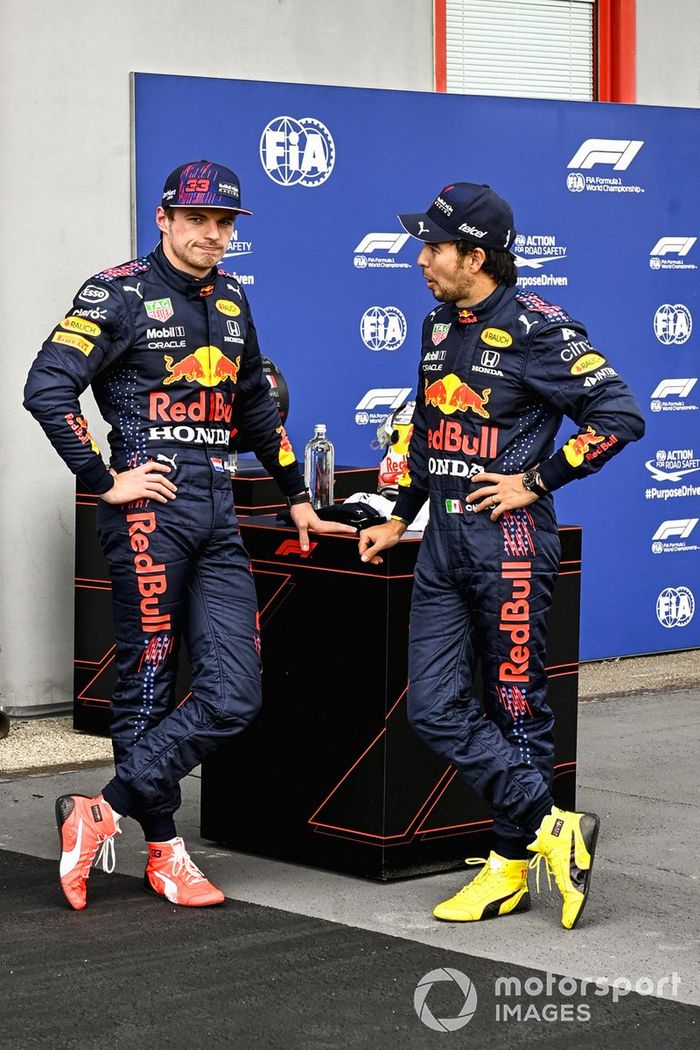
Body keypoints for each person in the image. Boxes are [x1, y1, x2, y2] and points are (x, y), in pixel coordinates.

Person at [24, 159, 353, 911]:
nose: (212, 234)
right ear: (164, 218)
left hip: (218, 516)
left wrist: (299, 497)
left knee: (235, 693)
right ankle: (167, 853)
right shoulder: (115, 292)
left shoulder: (234, 298)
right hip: (149, 515)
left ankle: (99, 809)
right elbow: (47, 387)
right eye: (198, 219)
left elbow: (255, 407)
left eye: (225, 223)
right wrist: (106, 480)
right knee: (147, 678)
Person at [358, 182, 645, 929]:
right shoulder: (434, 324)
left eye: (435, 248)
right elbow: (428, 432)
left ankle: (507, 867)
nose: (422, 260)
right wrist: (399, 515)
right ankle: (554, 828)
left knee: (518, 708)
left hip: (510, 545)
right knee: (434, 707)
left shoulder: (540, 327)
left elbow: (620, 415)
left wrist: (537, 480)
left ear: (475, 256)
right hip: (443, 545)